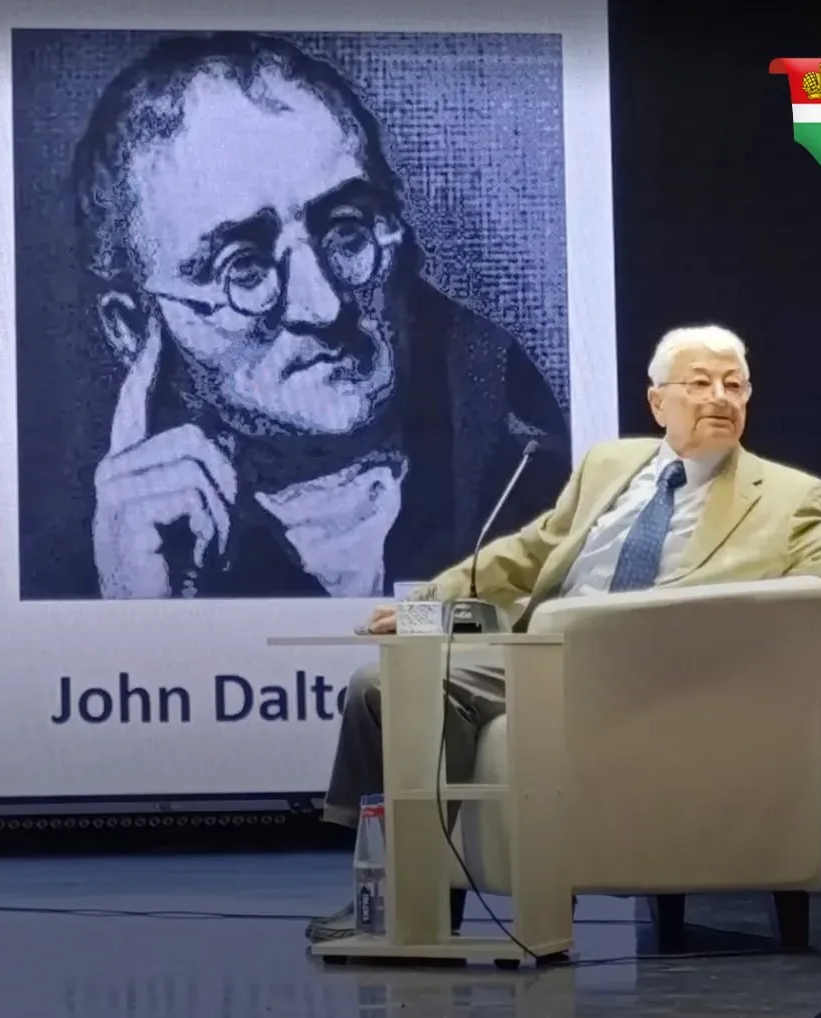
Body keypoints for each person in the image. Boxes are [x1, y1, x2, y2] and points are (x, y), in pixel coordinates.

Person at [308, 323, 821, 942]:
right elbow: (532, 551)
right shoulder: (611, 464)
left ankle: (410, 899)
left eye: (735, 386)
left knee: (413, 692)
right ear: (658, 402)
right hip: (541, 654)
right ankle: (400, 896)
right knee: (383, 687)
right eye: (700, 384)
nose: (721, 398)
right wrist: (430, 602)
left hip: (652, 682)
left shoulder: (786, 496)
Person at [54, 31, 569, 600]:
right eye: (244, 268)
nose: (323, 306)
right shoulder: (87, 559)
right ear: (133, 327)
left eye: (346, 230)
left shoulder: (534, 460)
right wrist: (139, 616)